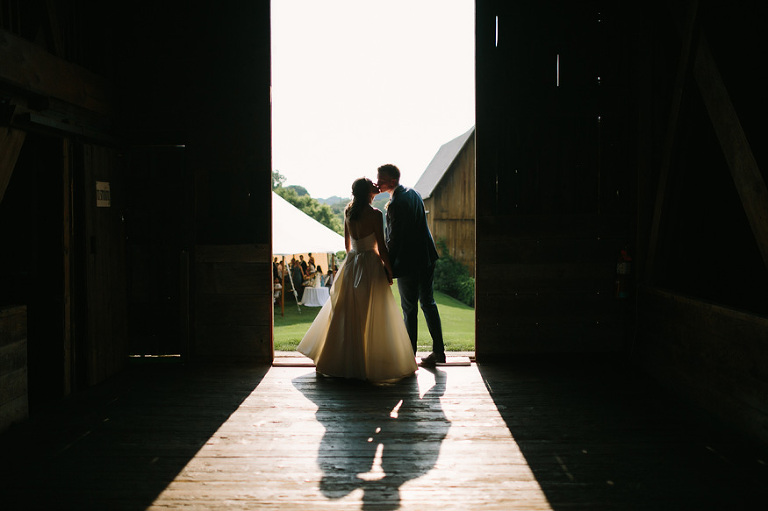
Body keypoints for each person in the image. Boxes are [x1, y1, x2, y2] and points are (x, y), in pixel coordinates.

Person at [297, 178, 417, 383]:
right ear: (368, 191)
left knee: (346, 313)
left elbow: (347, 245)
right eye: (372, 184)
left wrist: (355, 258)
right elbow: (381, 245)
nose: (376, 186)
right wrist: (388, 270)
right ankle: (369, 363)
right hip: (370, 265)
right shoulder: (375, 214)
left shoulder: (348, 212)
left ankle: (339, 361)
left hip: (352, 263)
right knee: (373, 312)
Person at [377, 163, 445, 367]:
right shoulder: (414, 193)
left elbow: (395, 239)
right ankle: (439, 352)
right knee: (428, 303)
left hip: (409, 262)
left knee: (409, 309)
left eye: (381, 179)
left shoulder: (397, 203)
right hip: (426, 257)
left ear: (392, 181)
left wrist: (387, 265)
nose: (377, 182)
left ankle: (409, 356)